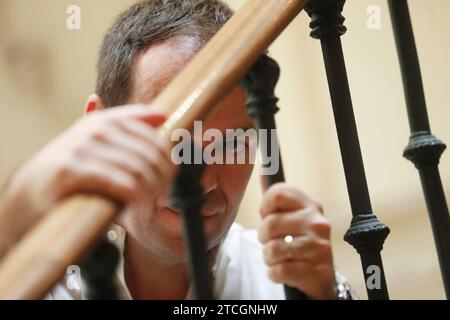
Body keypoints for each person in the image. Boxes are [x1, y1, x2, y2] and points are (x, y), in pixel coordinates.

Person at [0, 0, 354, 300]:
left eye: (232, 144)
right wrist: (16, 211)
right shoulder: (47, 283)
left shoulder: (279, 282)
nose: (203, 182)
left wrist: (327, 294)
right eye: (174, 140)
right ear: (99, 125)